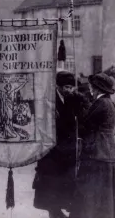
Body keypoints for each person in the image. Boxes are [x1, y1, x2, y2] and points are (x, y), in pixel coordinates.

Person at [33, 71, 89, 218]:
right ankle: (54, 213)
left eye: (71, 87)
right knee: (51, 189)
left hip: (67, 152)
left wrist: (79, 103)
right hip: (52, 152)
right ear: (58, 86)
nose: (70, 90)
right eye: (67, 87)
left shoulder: (72, 99)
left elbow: (80, 119)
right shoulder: (49, 101)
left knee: (65, 189)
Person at [70, 73, 115, 218]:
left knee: (91, 191)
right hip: (106, 151)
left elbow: (86, 124)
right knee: (103, 192)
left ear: (96, 88)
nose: (90, 89)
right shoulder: (109, 102)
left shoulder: (101, 103)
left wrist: (79, 108)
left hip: (96, 152)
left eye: (91, 86)